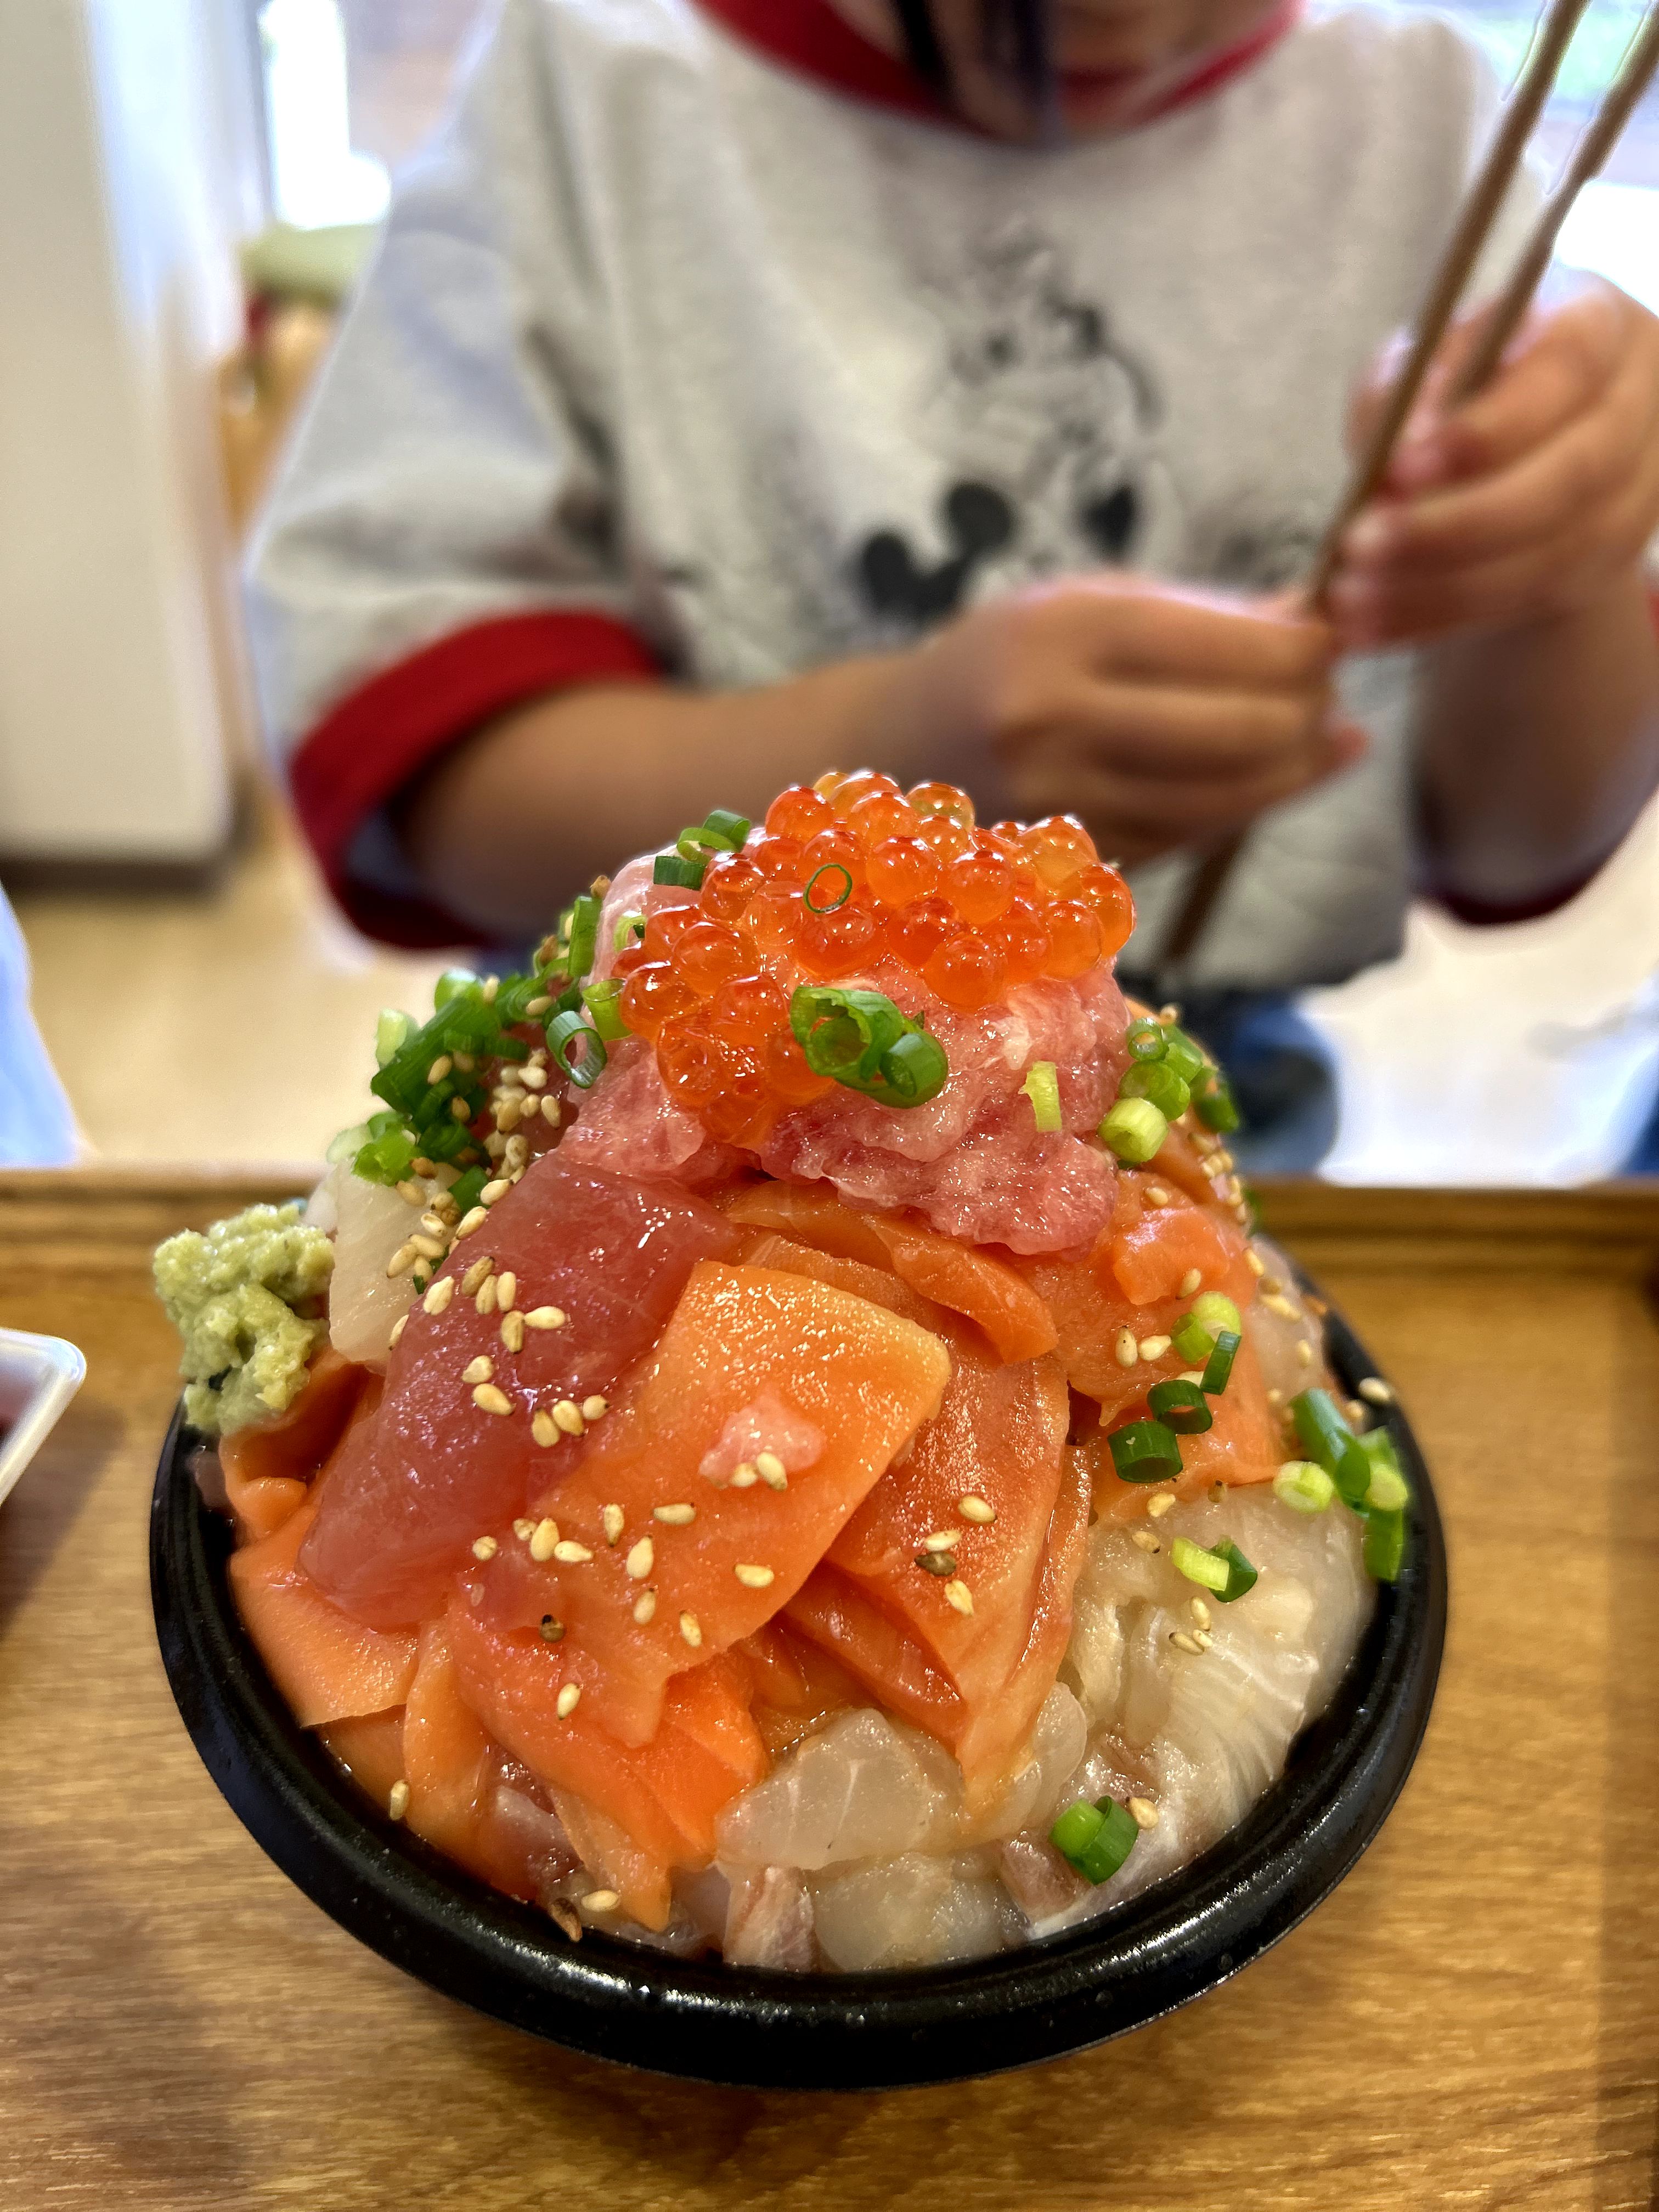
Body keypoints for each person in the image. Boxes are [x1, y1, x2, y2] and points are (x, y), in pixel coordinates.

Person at [247, 0, 1659, 1162]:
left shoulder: (1424, 111)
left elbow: (1520, 839)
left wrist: (1561, 558)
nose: (1131, 17)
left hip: (1201, 1103)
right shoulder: (599, 87)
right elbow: (424, 778)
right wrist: (892, 762)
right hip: (642, 1097)